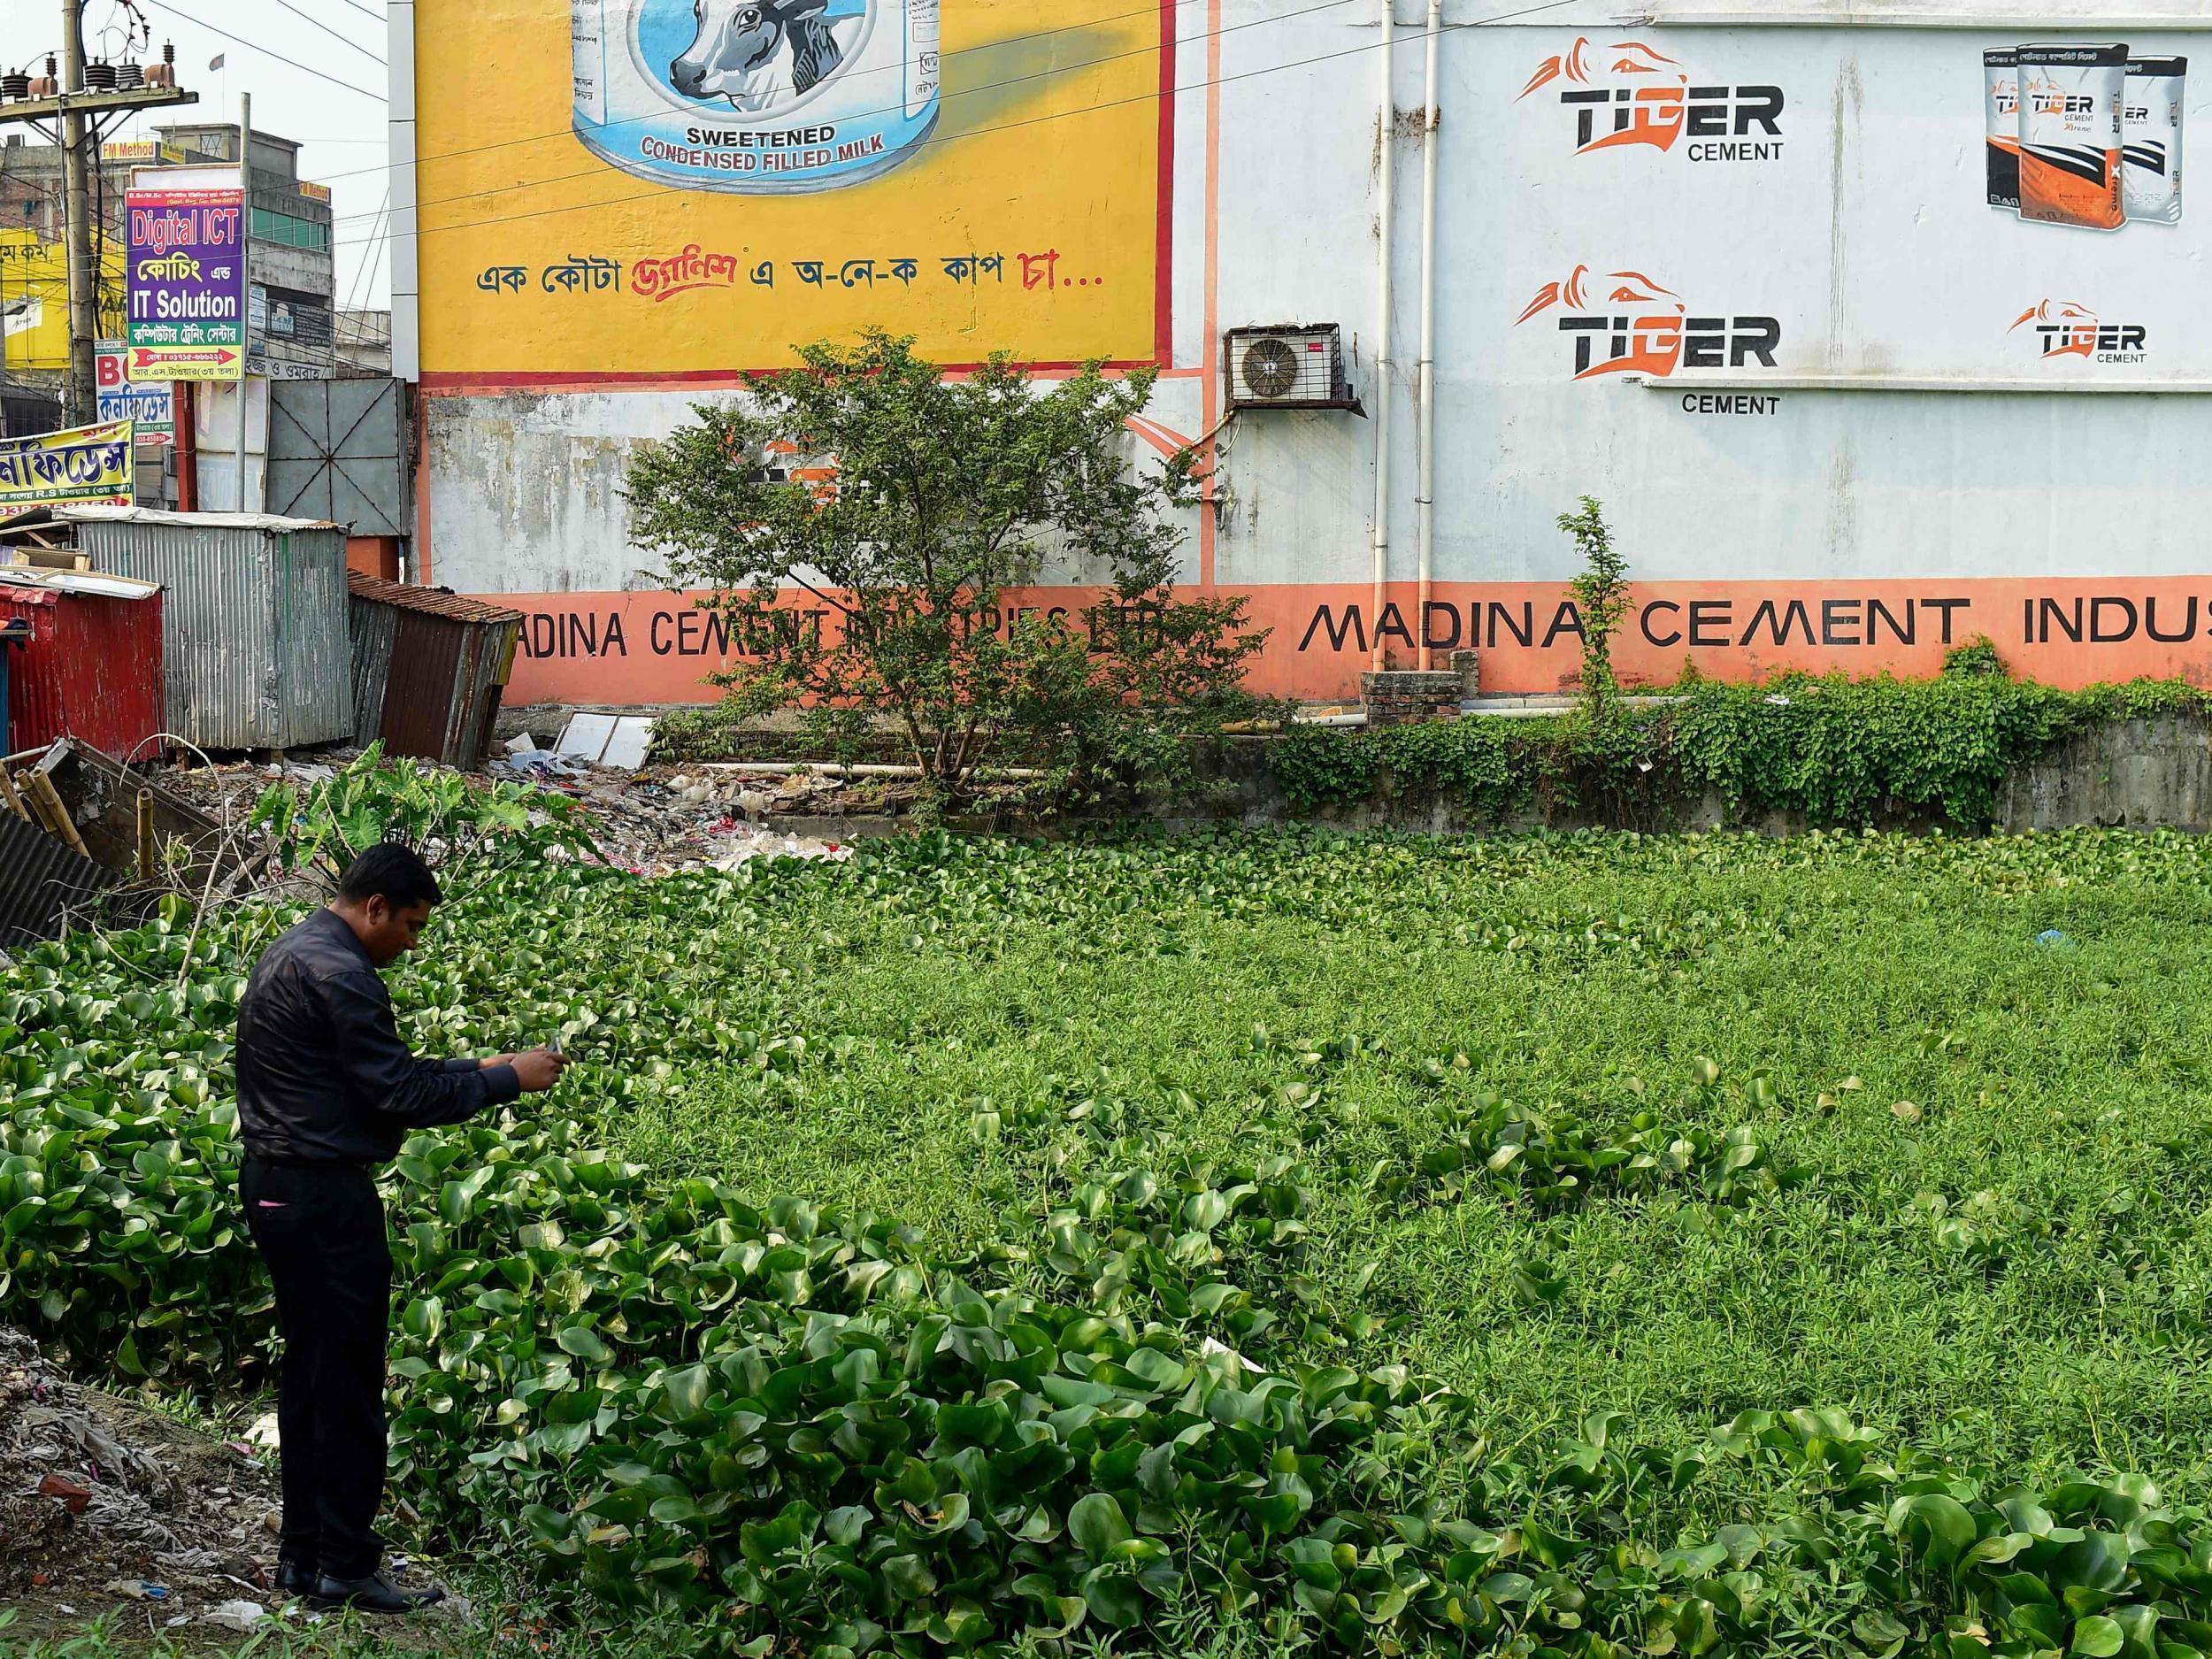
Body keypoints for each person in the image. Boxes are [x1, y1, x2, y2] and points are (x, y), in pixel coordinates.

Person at [234, 843, 567, 1613]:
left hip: (277, 1187)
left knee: (312, 1371)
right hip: (323, 1199)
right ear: (375, 906)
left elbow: (364, 1074)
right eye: (412, 926)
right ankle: (345, 1564)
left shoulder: (295, 947)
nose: (412, 944)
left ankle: (302, 1555)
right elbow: (396, 1094)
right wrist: (502, 1081)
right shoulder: (345, 972)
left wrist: (472, 1064)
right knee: (349, 1381)